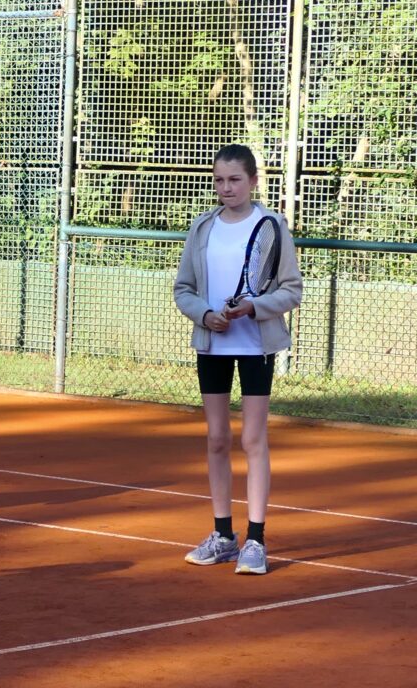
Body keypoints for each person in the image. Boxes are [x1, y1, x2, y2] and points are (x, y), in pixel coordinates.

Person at [173, 144, 303, 575]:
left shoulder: (272, 226)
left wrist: (254, 307)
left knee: (252, 440)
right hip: (212, 345)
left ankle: (256, 541)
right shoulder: (202, 227)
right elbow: (183, 289)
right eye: (219, 180)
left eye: (234, 180)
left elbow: (291, 290)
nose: (226, 188)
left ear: (252, 181)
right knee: (216, 439)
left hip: (255, 348)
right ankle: (223, 536)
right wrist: (205, 315)